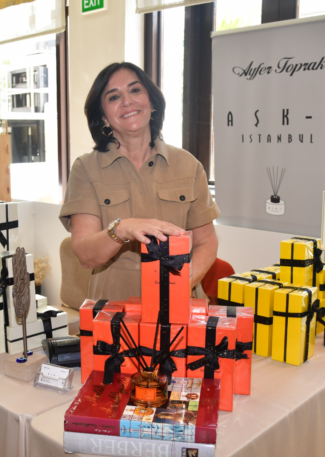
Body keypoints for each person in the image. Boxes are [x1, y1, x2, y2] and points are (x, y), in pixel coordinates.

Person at [59, 62, 220, 300]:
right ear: (103, 116)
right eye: (114, 97)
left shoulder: (188, 165)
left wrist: (180, 284)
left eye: (135, 90)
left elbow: (206, 242)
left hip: (179, 307)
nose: (127, 101)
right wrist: (121, 229)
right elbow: (86, 255)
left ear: (152, 103)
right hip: (115, 308)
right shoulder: (86, 169)